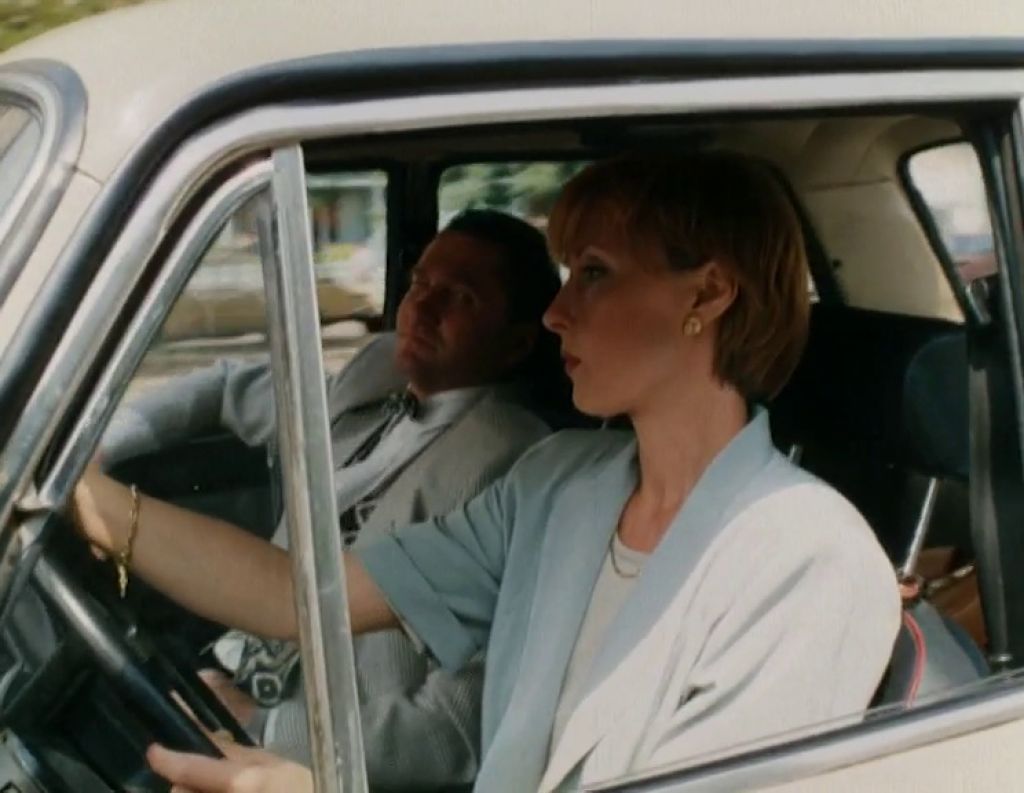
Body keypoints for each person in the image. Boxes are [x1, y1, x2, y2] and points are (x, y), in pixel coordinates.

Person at [74, 152, 901, 793]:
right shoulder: (559, 482)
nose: (556, 312)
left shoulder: (809, 561)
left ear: (708, 295)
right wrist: (84, 496)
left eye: (594, 273)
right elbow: (298, 594)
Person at [98, 209, 563, 790]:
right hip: (226, 673)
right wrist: (98, 447)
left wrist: (267, 728)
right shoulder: (375, 376)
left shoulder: (514, 463)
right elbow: (224, 386)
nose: (421, 308)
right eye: (419, 283)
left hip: (316, 756)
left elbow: (455, 729)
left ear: (517, 342)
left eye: (460, 297)